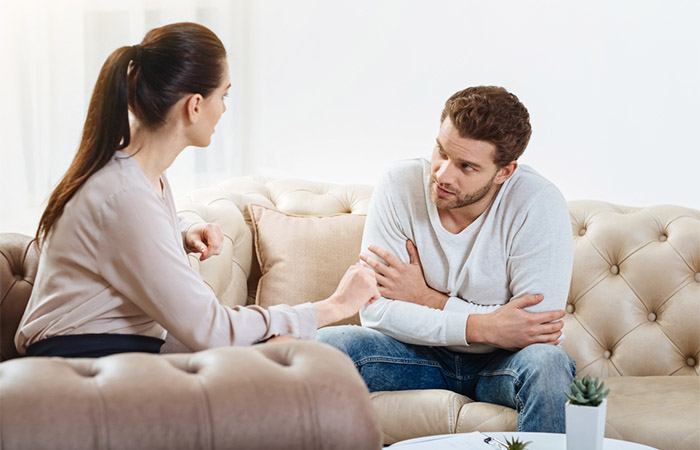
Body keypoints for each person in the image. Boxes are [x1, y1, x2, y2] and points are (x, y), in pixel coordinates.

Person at [15, 22, 379, 358]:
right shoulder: (123, 194)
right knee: (277, 358)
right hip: (80, 368)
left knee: (275, 353)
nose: (223, 109)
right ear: (194, 106)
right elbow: (210, 329)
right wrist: (333, 306)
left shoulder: (134, 177)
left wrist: (182, 230)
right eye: (224, 96)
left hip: (110, 358)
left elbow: (136, 231)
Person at [316, 86, 576, 433]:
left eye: (466, 167)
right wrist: (485, 326)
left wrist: (426, 299)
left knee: (548, 364)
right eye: (441, 152)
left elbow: (533, 331)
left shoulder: (538, 203)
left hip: (500, 364)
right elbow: (375, 312)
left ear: (504, 171)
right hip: (414, 354)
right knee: (326, 347)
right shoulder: (399, 184)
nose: (442, 175)